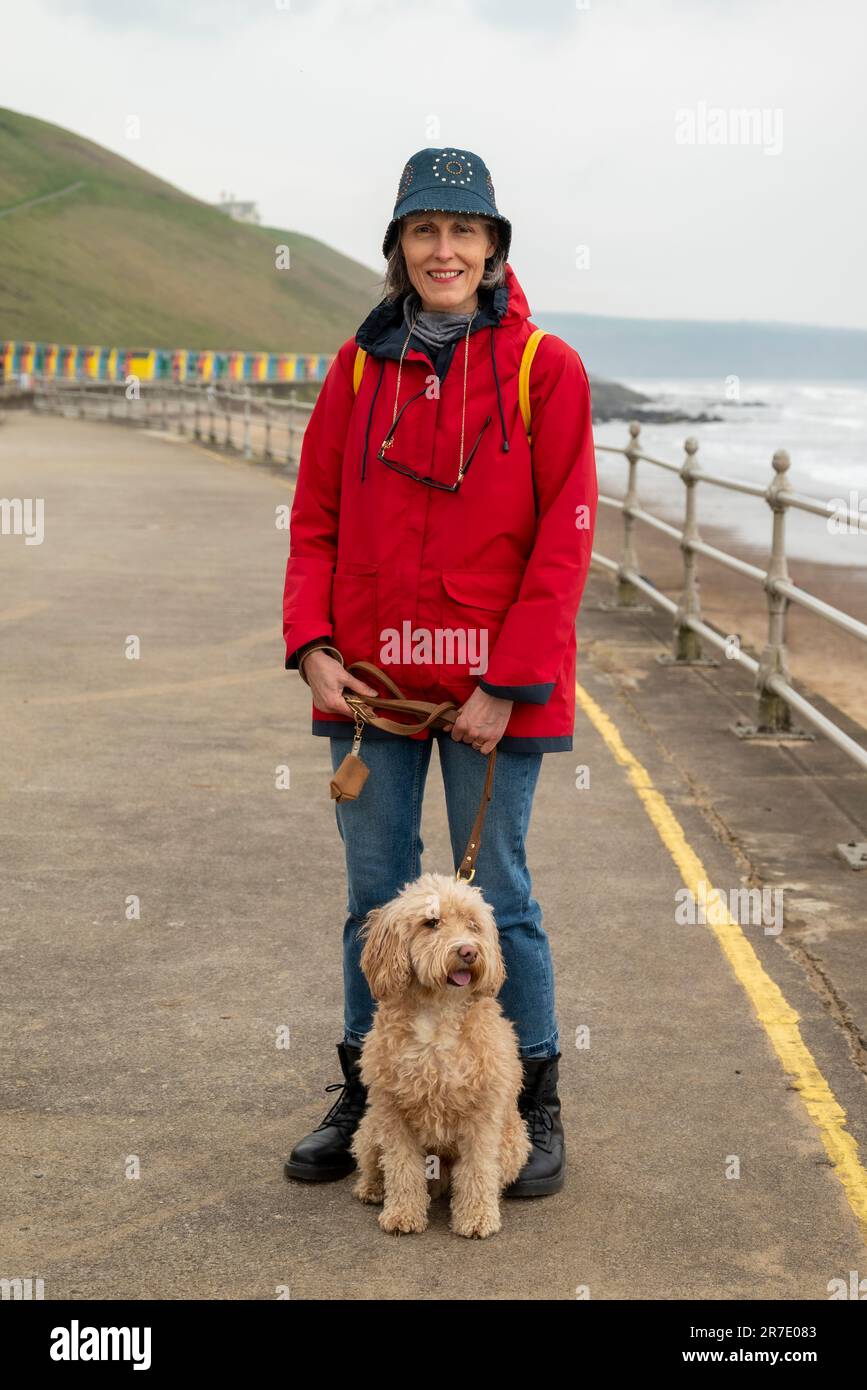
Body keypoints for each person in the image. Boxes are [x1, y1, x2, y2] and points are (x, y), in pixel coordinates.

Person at [281, 146, 598, 1197]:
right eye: (425, 230)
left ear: (493, 246)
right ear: (399, 249)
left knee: (494, 898)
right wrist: (313, 645)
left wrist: (505, 681)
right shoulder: (356, 368)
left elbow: (565, 536)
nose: (445, 248)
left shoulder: (543, 369)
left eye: (465, 231)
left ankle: (529, 1102)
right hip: (371, 689)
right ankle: (370, 1097)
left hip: (495, 689)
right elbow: (316, 518)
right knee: (376, 901)